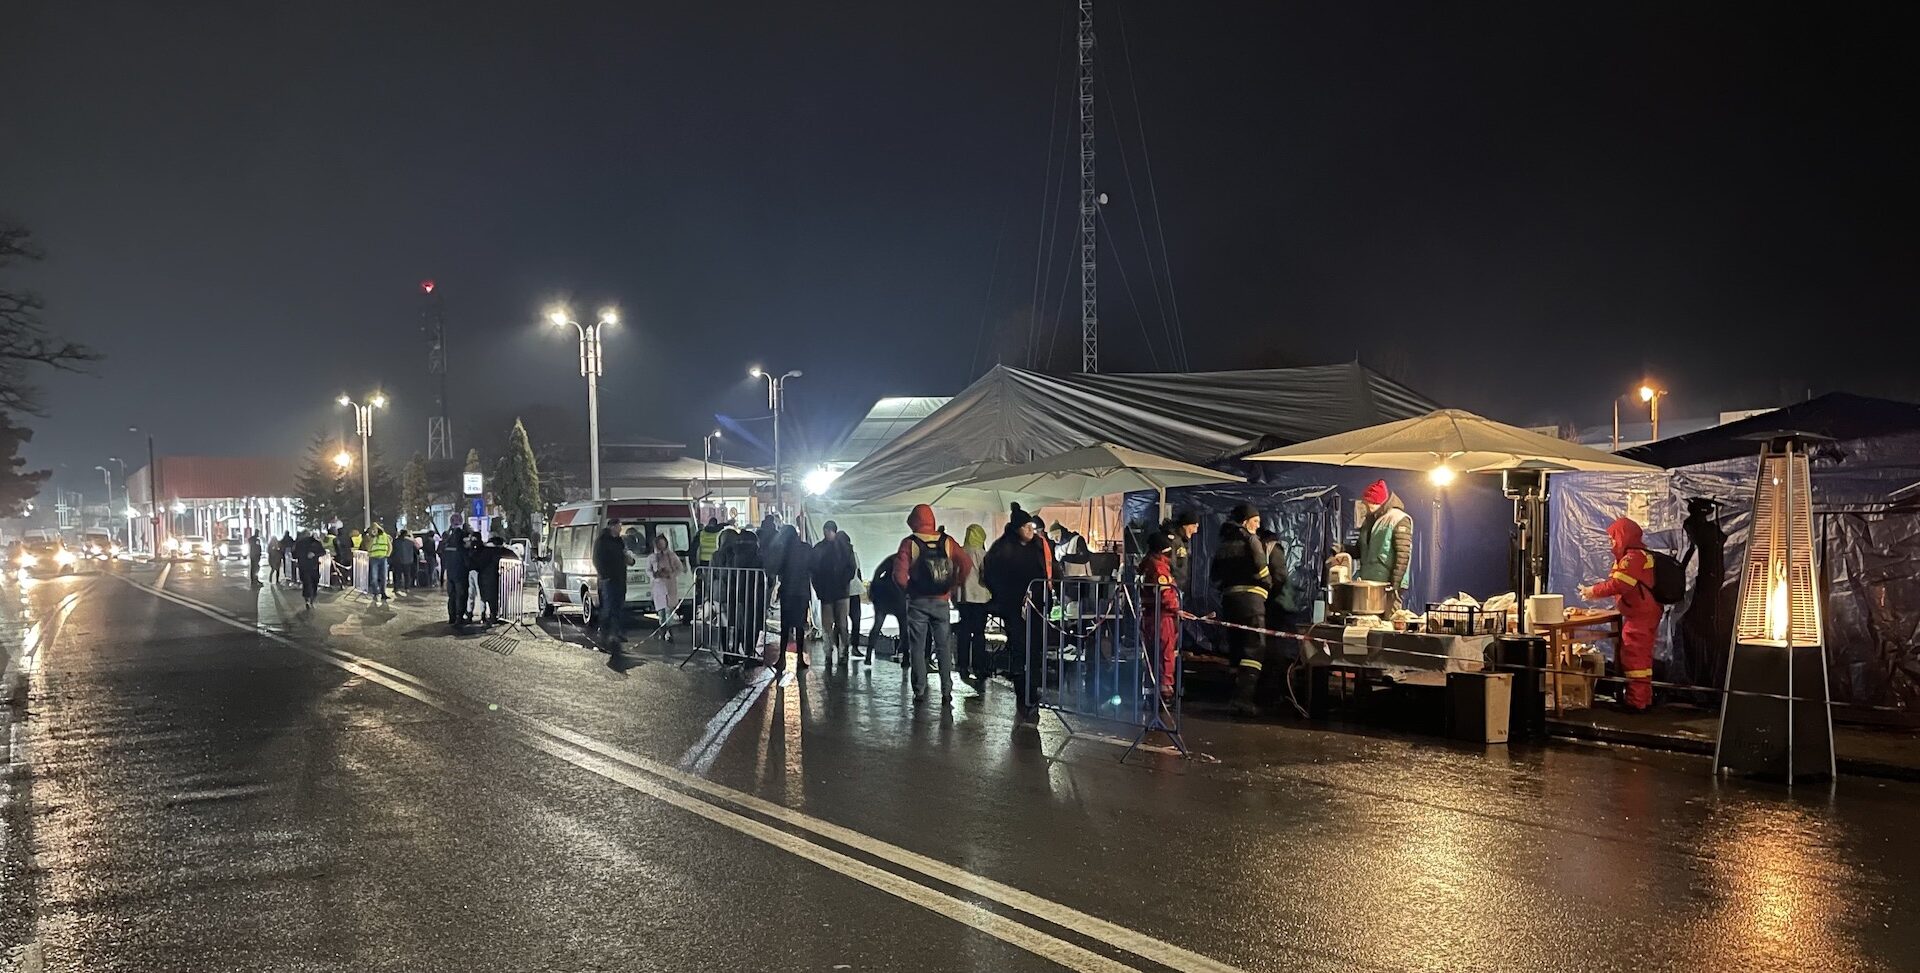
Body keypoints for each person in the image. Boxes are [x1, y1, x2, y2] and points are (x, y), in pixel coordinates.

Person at [1579, 517, 1663, 712]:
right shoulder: (1638, 556)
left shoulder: (1633, 558)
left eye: (1613, 538)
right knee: (1640, 657)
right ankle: (1643, 698)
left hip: (1640, 616)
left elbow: (1620, 584)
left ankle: (1637, 703)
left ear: (1623, 536)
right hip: (1643, 613)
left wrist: (1592, 591)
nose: (1611, 543)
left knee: (1635, 657)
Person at [891, 504, 972, 704]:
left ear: (913, 521)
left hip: (918, 602)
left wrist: (910, 589)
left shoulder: (909, 543)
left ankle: (919, 690)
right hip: (941, 601)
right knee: (943, 646)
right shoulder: (947, 541)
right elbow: (966, 563)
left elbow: (899, 575)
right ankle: (946, 690)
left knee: (917, 647)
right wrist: (954, 584)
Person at [983, 505, 1053, 723]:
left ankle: (1032, 691)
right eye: (1026, 526)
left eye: (1031, 526)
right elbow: (991, 575)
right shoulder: (1003, 548)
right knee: (1021, 651)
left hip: (1038, 607)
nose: (1031, 530)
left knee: (1036, 650)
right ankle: (1025, 694)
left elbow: (1049, 570)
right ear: (1017, 528)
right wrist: (1006, 598)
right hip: (1014, 609)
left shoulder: (1038, 546)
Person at [1212, 503, 1269, 718]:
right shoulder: (1251, 540)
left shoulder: (1223, 543)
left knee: (1236, 649)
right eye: (1255, 521)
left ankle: (1233, 696)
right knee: (1255, 648)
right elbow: (1262, 569)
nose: (1257, 526)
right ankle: (1243, 699)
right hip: (1252, 603)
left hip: (1229, 602)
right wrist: (1267, 584)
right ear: (1245, 522)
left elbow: (1214, 576)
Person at [1678, 497, 1730, 691]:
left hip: (1706, 584)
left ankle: (1701, 678)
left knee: (1698, 629)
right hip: (1710, 582)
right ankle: (1703, 678)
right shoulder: (1709, 532)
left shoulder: (1702, 532)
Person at [1356, 479, 1414, 615]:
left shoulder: (1399, 519)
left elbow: (1403, 555)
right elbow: (1361, 551)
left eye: (1367, 502)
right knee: (1370, 624)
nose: (1364, 505)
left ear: (1377, 501)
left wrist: (1395, 585)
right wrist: (1341, 549)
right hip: (1369, 584)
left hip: (1388, 585)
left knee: (1388, 624)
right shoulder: (1369, 521)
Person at [1140, 532, 1182, 704]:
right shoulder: (1159, 568)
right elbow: (1165, 594)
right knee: (1165, 654)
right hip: (1162, 618)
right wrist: (1177, 608)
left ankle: (1151, 693)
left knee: (1151, 656)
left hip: (1150, 617)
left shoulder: (1147, 565)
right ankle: (1165, 694)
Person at [810, 521, 857, 665]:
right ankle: (841, 652)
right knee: (840, 624)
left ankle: (831, 652)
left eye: (828, 531)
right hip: (840, 592)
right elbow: (851, 568)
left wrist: (819, 588)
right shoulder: (845, 548)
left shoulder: (819, 548)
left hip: (829, 592)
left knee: (830, 624)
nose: (827, 533)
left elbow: (814, 571)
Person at [594, 516, 638, 670]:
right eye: (619, 526)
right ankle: (606, 632)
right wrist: (604, 574)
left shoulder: (619, 541)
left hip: (620, 577)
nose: (620, 529)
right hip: (609, 578)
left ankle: (616, 632)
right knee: (609, 606)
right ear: (612, 526)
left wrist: (628, 560)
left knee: (619, 605)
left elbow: (624, 555)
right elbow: (597, 559)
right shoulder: (603, 541)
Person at [768, 524, 812, 669]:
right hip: (802, 591)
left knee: (785, 626)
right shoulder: (806, 548)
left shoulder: (784, 550)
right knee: (800, 626)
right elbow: (812, 567)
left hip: (788, 591)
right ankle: (800, 658)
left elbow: (776, 568)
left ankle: (782, 659)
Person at [954, 523, 992, 680]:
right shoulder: (983, 554)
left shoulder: (959, 553)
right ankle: (979, 667)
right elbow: (987, 576)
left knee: (963, 632)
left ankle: (962, 666)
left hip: (963, 597)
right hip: (981, 598)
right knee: (978, 634)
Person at [865, 554, 905, 667]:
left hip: (883, 597)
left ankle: (868, 655)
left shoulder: (892, 559)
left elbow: (877, 574)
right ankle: (904, 656)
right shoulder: (907, 561)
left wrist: (874, 594)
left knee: (877, 626)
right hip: (899, 598)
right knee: (904, 627)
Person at [647, 533, 684, 642]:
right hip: (658, 586)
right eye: (659, 544)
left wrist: (671, 574)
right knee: (661, 611)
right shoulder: (652, 557)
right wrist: (654, 575)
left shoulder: (671, 555)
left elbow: (679, 567)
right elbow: (648, 570)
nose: (661, 546)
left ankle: (669, 630)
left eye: (663, 543)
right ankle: (662, 629)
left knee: (669, 609)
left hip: (670, 584)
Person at [474, 536, 511, 624]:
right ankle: (493, 617)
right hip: (492, 577)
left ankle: (483, 616)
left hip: (481, 577)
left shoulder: (482, 550)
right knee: (493, 598)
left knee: (483, 597)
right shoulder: (497, 551)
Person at [440, 525, 470, 627]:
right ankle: (459, 617)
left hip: (450, 574)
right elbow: (467, 562)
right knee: (460, 597)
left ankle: (451, 617)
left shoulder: (448, 546)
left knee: (451, 597)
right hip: (460, 575)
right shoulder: (461, 548)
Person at [293, 529, 327, 610]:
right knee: (311, 583)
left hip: (306, 566)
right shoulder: (313, 542)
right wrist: (314, 555)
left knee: (308, 583)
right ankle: (310, 601)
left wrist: (313, 554)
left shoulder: (301, 543)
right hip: (311, 567)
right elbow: (323, 552)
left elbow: (294, 555)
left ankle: (308, 600)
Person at [365, 523, 392, 604]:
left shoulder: (384, 536)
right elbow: (368, 548)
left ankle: (383, 593)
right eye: (372, 530)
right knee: (374, 577)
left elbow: (389, 546)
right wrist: (373, 538)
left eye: (375, 529)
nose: (374, 531)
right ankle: (376, 592)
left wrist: (387, 554)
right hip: (374, 558)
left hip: (383, 558)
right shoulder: (369, 537)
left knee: (384, 577)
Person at [391, 529, 417, 594]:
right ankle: (407, 588)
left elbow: (392, 551)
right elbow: (416, 550)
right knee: (407, 575)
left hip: (397, 561)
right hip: (407, 561)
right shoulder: (410, 542)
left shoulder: (395, 541)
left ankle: (396, 588)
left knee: (397, 575)